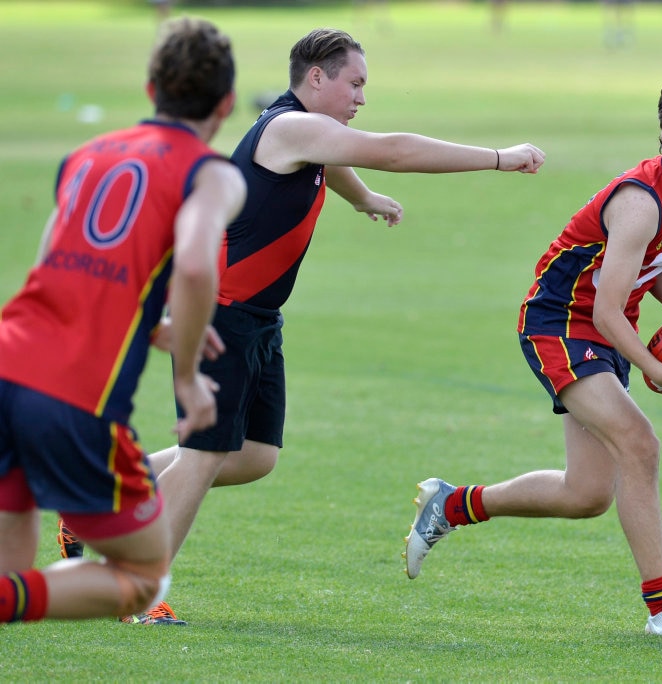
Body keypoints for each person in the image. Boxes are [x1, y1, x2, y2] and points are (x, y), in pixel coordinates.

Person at [59, 27, 545, 625]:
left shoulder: (307, 134)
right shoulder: (288, 127)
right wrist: (498, 158)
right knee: (206, 454)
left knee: (255, 456)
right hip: (225, 314)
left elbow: (337, 160)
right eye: (355, 83)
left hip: (259, 318)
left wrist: (363, 197)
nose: (361, 98)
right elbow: (390, 148)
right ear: (317, 77)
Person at [404, 62, 662, 639]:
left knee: (586, 494)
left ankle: (452, 504)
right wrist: (657, 370)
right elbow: (605, 309)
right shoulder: (642, 199)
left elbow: (656, 264)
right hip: (561, 323)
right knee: (640, 443)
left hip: (599, 328)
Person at [0, 17, 245, 624]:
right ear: (228, 103)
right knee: (141, 579)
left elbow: (56, 269)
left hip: (9, 358)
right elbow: (192, 266)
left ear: (149, 90)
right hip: (72, 398)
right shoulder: (210, 173)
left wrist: (147, 327)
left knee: (12, 572)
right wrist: (187, 377)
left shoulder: (86, 155)